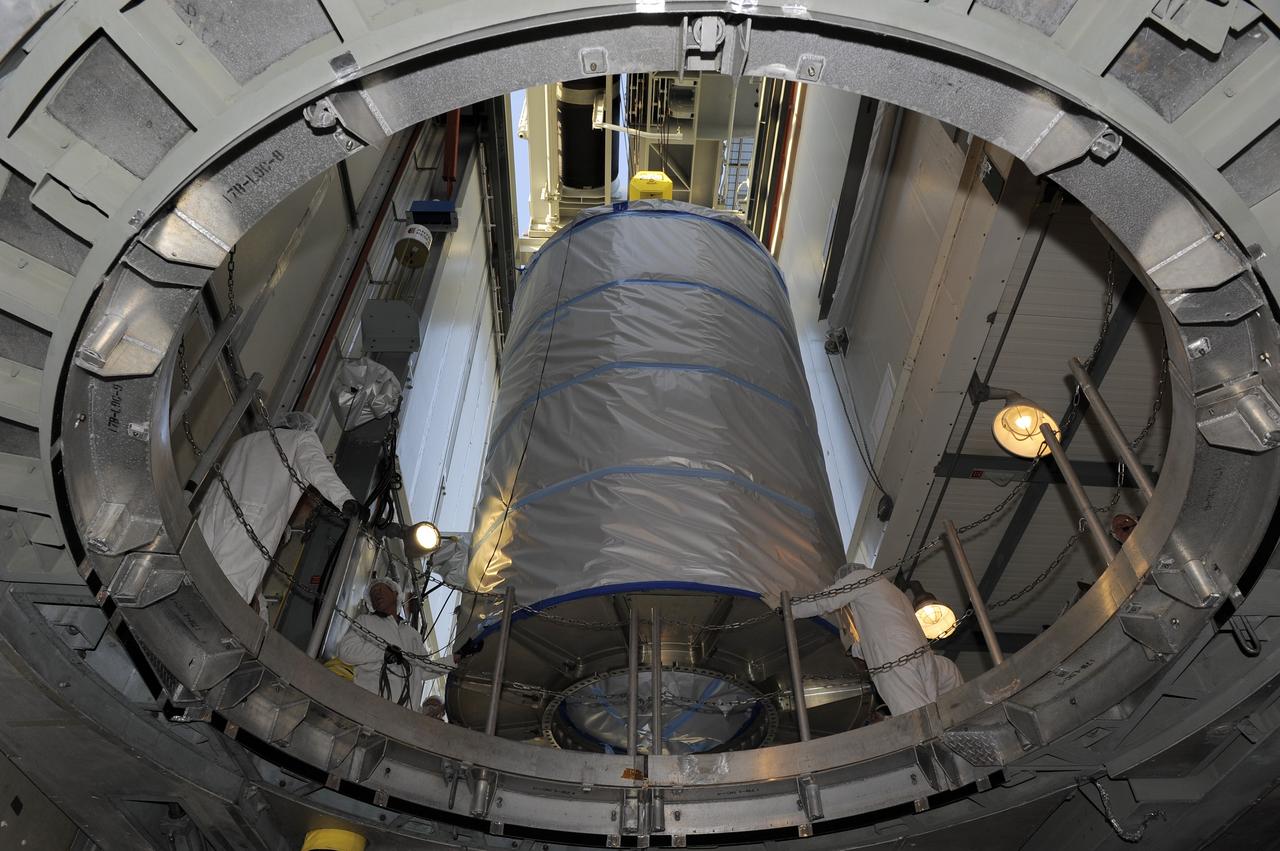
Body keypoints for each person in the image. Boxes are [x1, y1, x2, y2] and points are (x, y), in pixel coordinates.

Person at [197, 411, 358, 619]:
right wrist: (345, 499)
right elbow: (317, 468)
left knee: (195, 574)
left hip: (213, 514)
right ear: (304, 427)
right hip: (251, 523)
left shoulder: (245, 441)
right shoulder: (302, 439)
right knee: (224, 598)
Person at [791, 565, 964, 716]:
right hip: (923, 655)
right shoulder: (895, 593)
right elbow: (880, 633)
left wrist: (789, 610)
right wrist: (854, 650)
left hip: (895, 657)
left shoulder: (860, 578)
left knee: (916, 717)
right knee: (931, 710)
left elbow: (826, 600)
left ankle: (937, 749)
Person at [337, 577, 433, 711]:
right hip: (368, 706)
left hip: (403, 716)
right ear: (371, 603)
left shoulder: (412, 634)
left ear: (396, 594)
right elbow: (346, 652)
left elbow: (427, 669)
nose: (377, 593)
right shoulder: (365, 621)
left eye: (381, 589)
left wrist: (455, 660)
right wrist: (383, 652)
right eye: (373, 592)